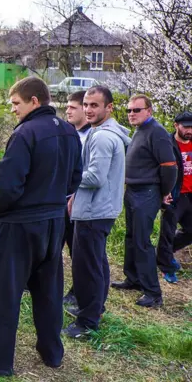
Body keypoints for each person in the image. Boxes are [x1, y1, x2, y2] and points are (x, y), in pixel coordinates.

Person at [0, 77, 82, 377]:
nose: (12, 110)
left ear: (35, 101)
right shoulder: (70, 131)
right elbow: (76, 177)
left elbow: (8, 184)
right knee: (48, 291)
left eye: (16, 103)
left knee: (3, 292)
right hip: (55, 222)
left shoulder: (26, 133)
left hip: (21, 225)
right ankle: (52, 352)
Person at [63, 86, 131, 338]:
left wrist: (67, 177)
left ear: (109, 107)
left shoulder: (102, 137)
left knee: (86, 267)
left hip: (94, 211)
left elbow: (95, 177)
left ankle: (87, 322)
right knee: (97, 263)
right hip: (99, 208)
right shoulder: (104, 132)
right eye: (87, 104)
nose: (89, 110)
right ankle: (95, 308)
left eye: (95, 105)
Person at [111, 94, 177, 308]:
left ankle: (153, 293)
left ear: (149, 111)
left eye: (136, 110)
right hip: (133, 190)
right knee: (131, 237)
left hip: (147, 192)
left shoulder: (156, 132)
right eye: (129, 110)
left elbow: (169, 166)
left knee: (142, 241)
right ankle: (134, 279)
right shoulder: (141, 130)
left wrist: (163, 193)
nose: (131, 114)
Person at [62, 90, 91, 306]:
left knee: (77, 250)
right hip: (61, 200)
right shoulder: (67, 133)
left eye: (73, 107)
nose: (67, 111)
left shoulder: (92, 136)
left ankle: (78, 290)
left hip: (79, 203)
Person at [157, 111, 192, 284]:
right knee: (167, 233)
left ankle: (164, 255)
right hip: (174, 194)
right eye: (186, 126)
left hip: (190, 195)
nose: (189, 130)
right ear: (176, 125)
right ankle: (167, 268)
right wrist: (164, 190)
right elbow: (160, 169)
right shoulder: (168, 145)